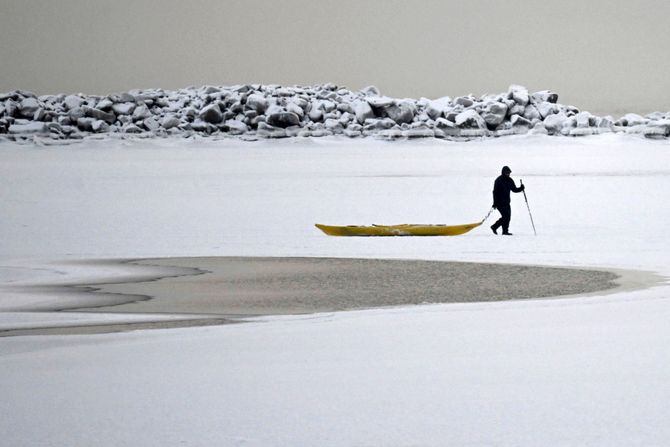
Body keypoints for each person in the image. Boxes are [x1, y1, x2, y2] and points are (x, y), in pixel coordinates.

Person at [490, 166, 524, 235]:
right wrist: (495, 203)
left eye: (509, 173)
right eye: (507, 173)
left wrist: (521, 188)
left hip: (507, 202)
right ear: (503, 172)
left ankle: (504, 231)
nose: (508, 174)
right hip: (499, 203)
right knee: (505, 216)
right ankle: (495, 227)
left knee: (508, 217)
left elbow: (514, 189)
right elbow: (495, 192)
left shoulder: (510, 180)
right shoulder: (498, 180)